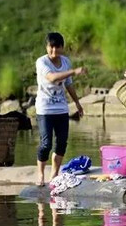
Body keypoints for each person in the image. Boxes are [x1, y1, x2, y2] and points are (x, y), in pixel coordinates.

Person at [35, 32, 87, 186]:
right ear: (47, 47)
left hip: (61, 108)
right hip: (45, 109)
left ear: (62, 48)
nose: (54, 51)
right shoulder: (41, 62)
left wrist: (77, 103)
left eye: (57, 48)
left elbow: (68, 84)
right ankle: (40, 174)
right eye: (51, 47)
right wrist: (74, 71)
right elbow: (52, 77)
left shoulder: (65, 61)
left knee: (62, 143)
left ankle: (55, 174)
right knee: (46, 144)